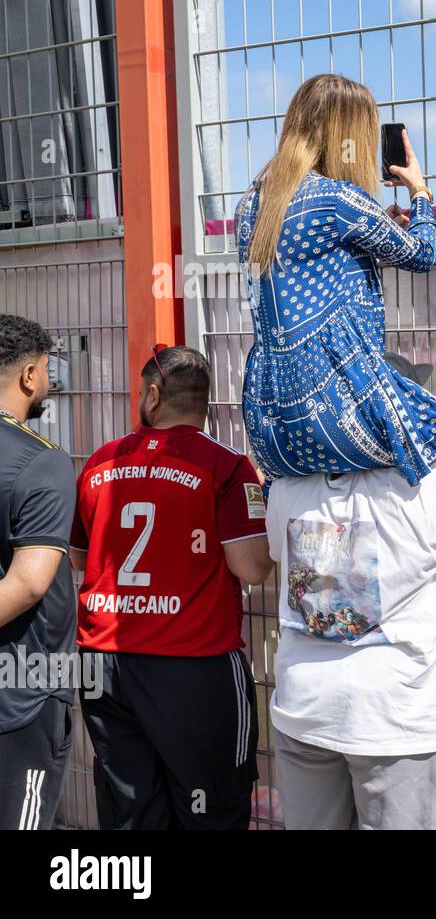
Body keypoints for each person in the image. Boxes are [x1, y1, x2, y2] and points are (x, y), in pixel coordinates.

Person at [236, 72, 436, 678]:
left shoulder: (254, 203)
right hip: (348, 400)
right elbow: (421, 252)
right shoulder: (339, 199)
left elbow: (315, 265)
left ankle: (337, 621)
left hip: (275, 417)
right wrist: (420, 193)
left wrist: (375, 230)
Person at [266, 393, 436, 830]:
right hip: (396, 721)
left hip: (303, 710)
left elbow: (276, 555)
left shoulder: (288, 486)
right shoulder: (427, 488)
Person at [68, 347, 273, 830]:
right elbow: (252, 569)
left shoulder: (100, 463)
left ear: (154, 396)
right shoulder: (224, 465)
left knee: (130, 810)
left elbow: (78, 557)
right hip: (192, 668)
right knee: (210, 807)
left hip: (105, 662)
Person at [0, 315, 76, 830]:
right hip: (22, 697)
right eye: (47, 370)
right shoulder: (41, 459)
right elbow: (28, 583)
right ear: (29, 374)